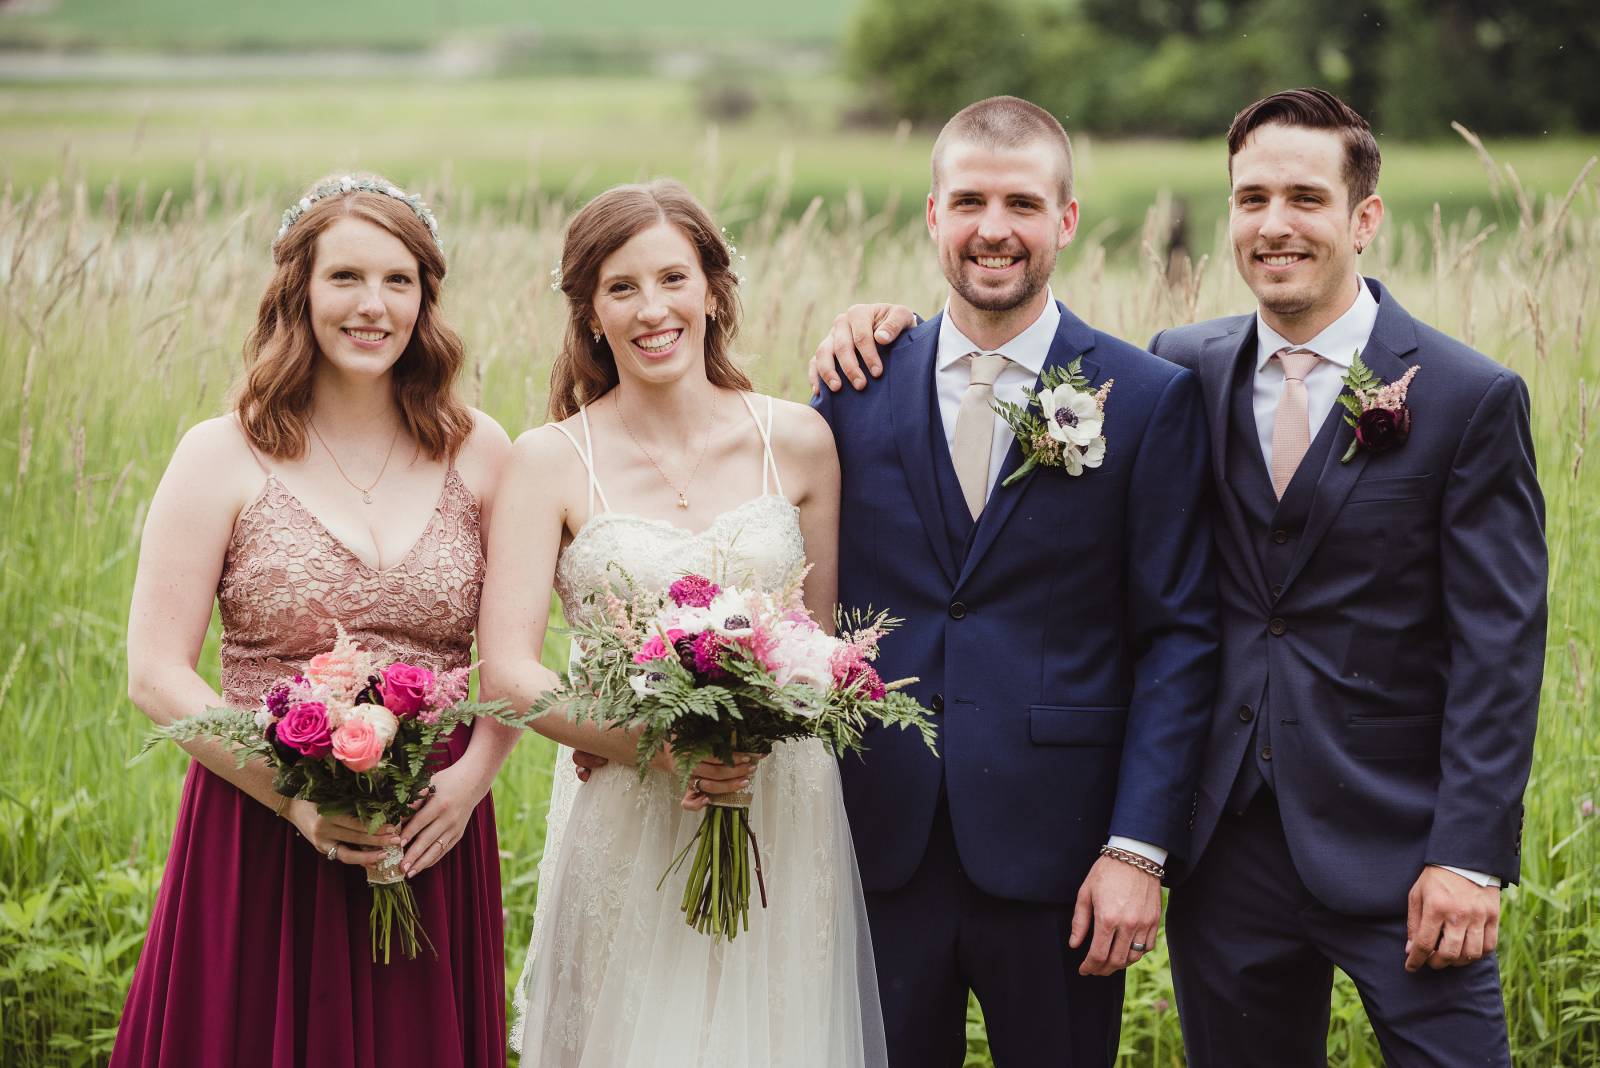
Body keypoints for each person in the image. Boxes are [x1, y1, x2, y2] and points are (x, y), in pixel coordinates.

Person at [813, 88, 1547, 1068]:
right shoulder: (1184, 368)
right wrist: (874, 324)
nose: (1274, 224)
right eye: (1251, 199)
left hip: (1399, 838)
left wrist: (1467, 854)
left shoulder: (1463, 395)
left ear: (1364, 217)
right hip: (1225, 849)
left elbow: (1500, 647)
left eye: (1304, 198)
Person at [810, 96, 1217, 1067]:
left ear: (1065, 220)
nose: (994, 229)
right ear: (933, 215)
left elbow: (1178, 638)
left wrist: (1136, 849)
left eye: (1023, 204)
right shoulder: (851, 388)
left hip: (1064, 857)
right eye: (970, 202)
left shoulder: (1148, 399)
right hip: (878, 845)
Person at [479, 179, 886, 1067]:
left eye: (673, 279)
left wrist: (755, 730)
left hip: (778, 805)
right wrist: (650, 745)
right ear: (590, 313)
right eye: (621, 288)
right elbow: (508, 673)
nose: (652, 309)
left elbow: (818, 645)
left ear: (713, 290)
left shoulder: (800, 441)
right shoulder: (548, 460)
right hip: (628, 811)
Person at [114, 173, 516, 1068]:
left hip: (432, 826)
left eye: (398, 280)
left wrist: (473, 779)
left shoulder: (481, 449)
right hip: (262, 825)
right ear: (299, 290)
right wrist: (294, 798)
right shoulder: (219, 454)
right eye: (346, 278)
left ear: (425, 297)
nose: (374, 306)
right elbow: (156, 673)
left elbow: (513, 652)